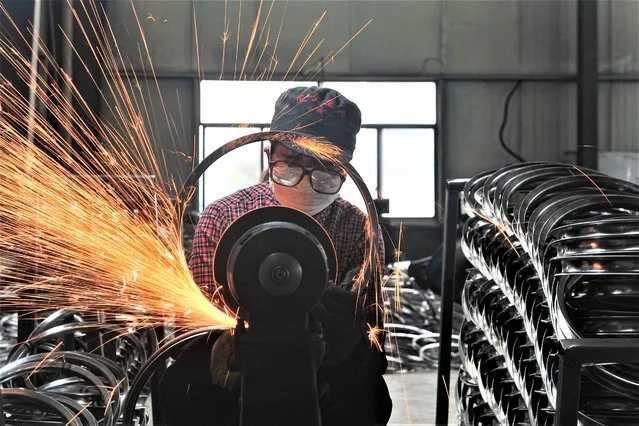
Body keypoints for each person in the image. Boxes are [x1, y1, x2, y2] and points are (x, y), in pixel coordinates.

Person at [159, 86, 392, 426]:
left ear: (346, 169)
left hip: (327, 365)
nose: (306, 176)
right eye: (293, 161)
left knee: (369, 400)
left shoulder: (358, 227)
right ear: (270, 153)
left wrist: (339, 340)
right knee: (180, 389)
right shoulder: (224, 215)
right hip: (233, 362)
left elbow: (371, 330)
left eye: (324, 165)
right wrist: (224, 345)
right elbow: (195, 319)